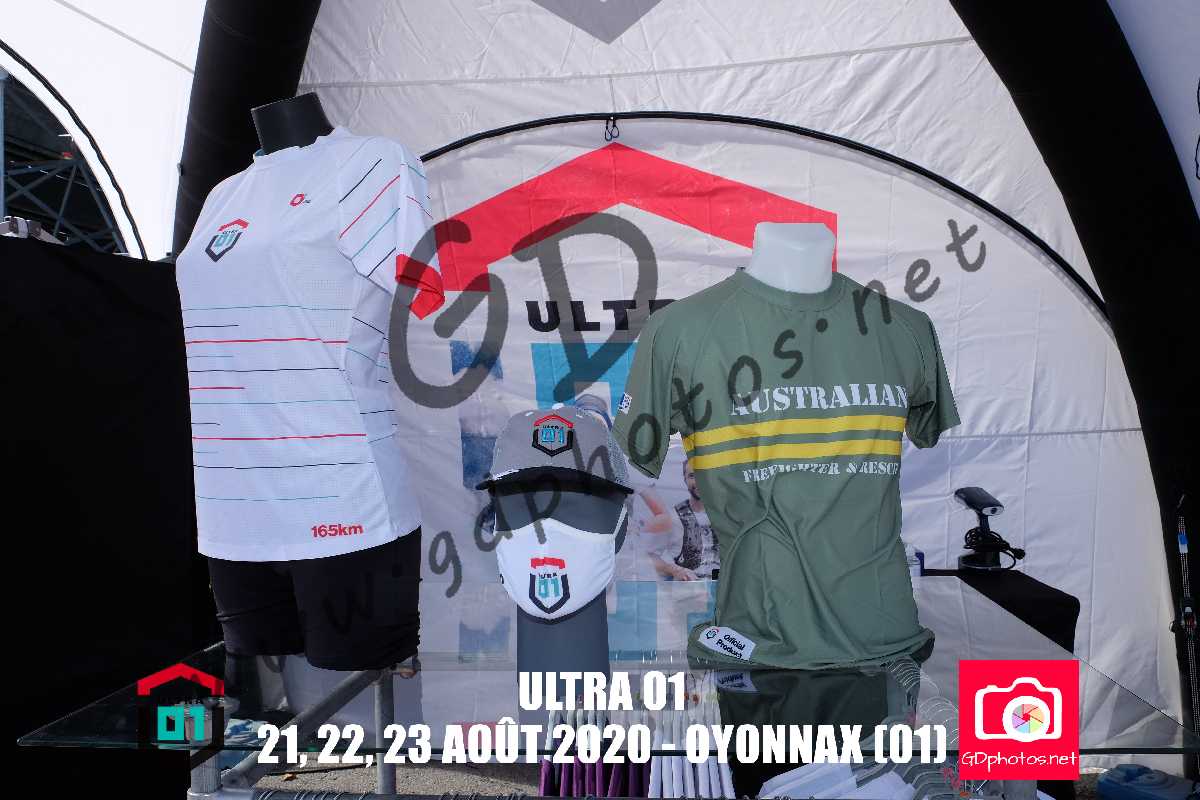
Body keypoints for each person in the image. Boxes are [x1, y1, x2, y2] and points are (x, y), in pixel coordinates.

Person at [642, 460, 720, 580]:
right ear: (685, 479)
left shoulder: (728, 517)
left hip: (723, 589)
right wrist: (673, 570)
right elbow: (649, 557)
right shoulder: (672, 517)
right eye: (692, 476)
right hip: (687, 590)